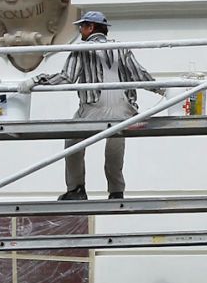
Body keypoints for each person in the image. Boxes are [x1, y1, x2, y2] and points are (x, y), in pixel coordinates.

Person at [25, 11, 164, 201]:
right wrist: (163, 90)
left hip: (93, 108)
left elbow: (67, 77)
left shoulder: (81, 48)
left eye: (82, 26)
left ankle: (76, 189)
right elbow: (139, 74)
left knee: (73, 142)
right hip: (124, 109)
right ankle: (116, 192)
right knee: (115, 143)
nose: (80, 30)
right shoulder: (121, 48)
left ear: (91, 27)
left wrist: (37, 80)